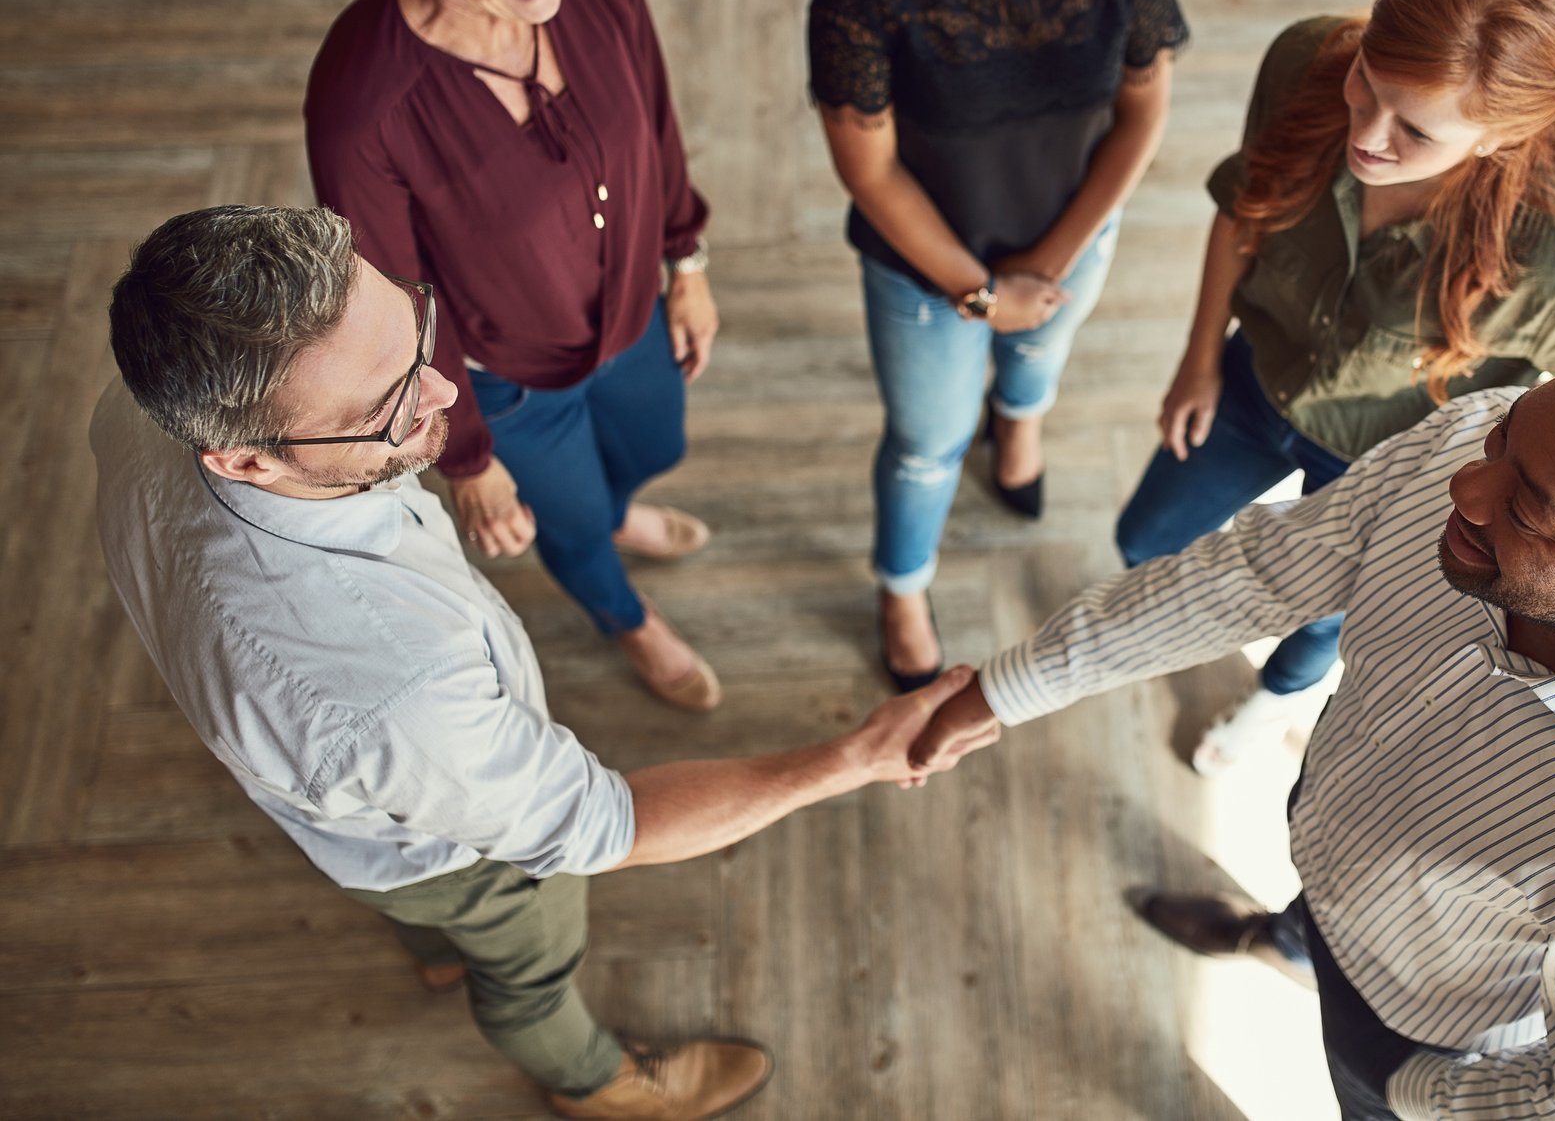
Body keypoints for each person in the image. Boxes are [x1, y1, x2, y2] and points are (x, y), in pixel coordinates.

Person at [93, 205, 992, 1121]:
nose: (445, 393)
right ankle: (592, 1080)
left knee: (400, 879)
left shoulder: (138, 400)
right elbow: (606, 826)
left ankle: (434, 944)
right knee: (530, 956)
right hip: (444, 844)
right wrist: (854, 758)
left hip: (350, 797)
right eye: (387, 407)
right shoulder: (393, 692)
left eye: (415, 333)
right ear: (244, 458)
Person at [912, 353, 1555, 1119]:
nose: (1467, 480)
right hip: (1336, 847)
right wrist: (1005, 687)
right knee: (1310, 909)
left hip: (1417, 1027)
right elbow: (1255, 573)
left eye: (1527, 509)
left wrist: (1405, 1082)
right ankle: (1281, 938)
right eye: (1504, 441)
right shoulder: (1482, 443)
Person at [1116, 0, 1555, 774]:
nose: (1367, 135)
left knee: (1320, 619)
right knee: (1145, 538)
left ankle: (1277, 699)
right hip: (1253, 380)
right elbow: (1246, 210)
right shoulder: (1307, 59)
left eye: (1413, 129)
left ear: (1498, 137)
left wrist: (1516, 485)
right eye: (1366, 84)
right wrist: (1198, 356)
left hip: (1384, 466)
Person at [307, 0, 723, 710]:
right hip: (505, 385)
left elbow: (652, 105)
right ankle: (625, 616)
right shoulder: (361, 105)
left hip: (634, 316)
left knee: (656, 438)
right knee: (567, 525)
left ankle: (619, 512)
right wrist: (467, 457)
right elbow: (396, 302)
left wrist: (684, 261)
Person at [809, 0, 1189, 689]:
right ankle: (903, 587)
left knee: (1040, 359)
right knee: (925, 446)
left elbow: (1143, 111)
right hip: (924, 271)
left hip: (1075, 232)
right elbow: (869, 169)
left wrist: (1044, 269)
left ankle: (1019, 430)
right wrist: (982, 293)